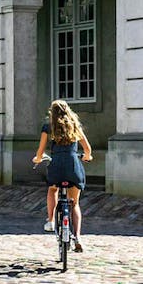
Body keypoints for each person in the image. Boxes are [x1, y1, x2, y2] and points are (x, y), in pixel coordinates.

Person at [32, 99, 94, 252]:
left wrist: (38, 158)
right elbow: (87, 149)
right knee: (75, 203)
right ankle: (78, 237)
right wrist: (87, 156)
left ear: (51, 113)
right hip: (73, 166)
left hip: (57, 165)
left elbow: (40, 151)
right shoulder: (75, 126)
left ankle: (51, 220)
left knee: (53, 190)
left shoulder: (48, 127)